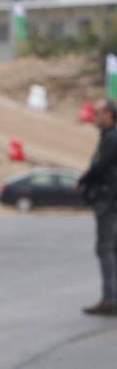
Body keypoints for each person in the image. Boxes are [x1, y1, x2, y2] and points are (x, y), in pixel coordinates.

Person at [76, 99, 117, 316]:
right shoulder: (109, 137)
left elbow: (100, 166)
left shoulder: (112, 138)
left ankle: (110, 299)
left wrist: (83, 180)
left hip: (108, 200)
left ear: (110, 115)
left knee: (105, 248)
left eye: (99, 113)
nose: (95, 117)